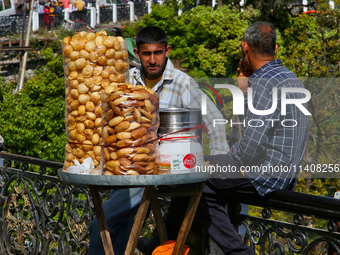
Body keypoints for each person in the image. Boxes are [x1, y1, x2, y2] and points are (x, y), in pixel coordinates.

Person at [160, 21, 310, 255]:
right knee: (197, 170)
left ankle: (231, 252)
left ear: (244, 48)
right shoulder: (289, 78)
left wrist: (227, 157)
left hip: (266, 174)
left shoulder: (264, 82)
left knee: (193, 179)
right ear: (276, 49)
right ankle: (168, 242)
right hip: (286, 173)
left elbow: (252, 146)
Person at [87, 26, 229, 255]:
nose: (153, 60)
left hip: (161, 173)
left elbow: (215, 120)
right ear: (137, 52)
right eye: (146, 54)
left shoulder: (182, 83)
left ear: (167, 51)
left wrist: (218, 162)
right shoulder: (129, 80)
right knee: (119, 228)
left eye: (158, 53)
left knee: (101, 227)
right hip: (129, 170)